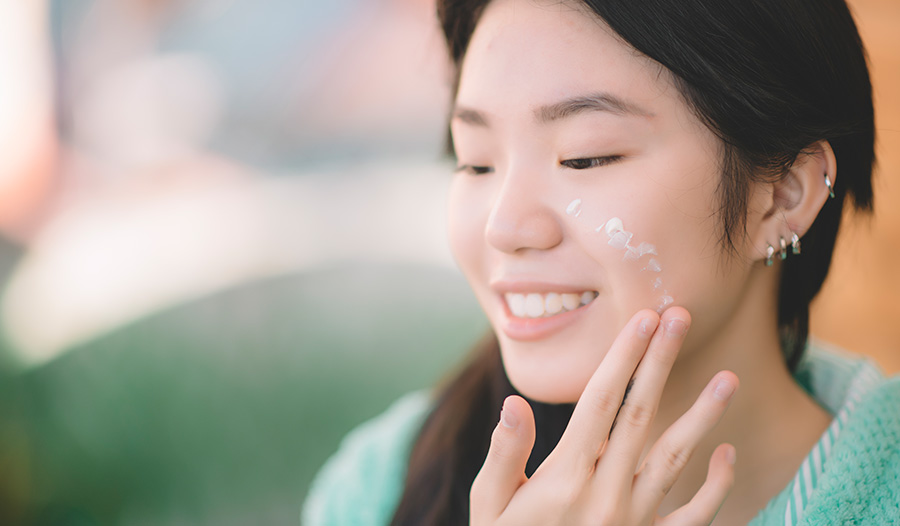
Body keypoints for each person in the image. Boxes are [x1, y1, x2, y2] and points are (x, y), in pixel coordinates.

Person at [302, 0, 900, 524]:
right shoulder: (378, 490)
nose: (505, 228)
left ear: (782, 195)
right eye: (476, 161)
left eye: (586, 158)